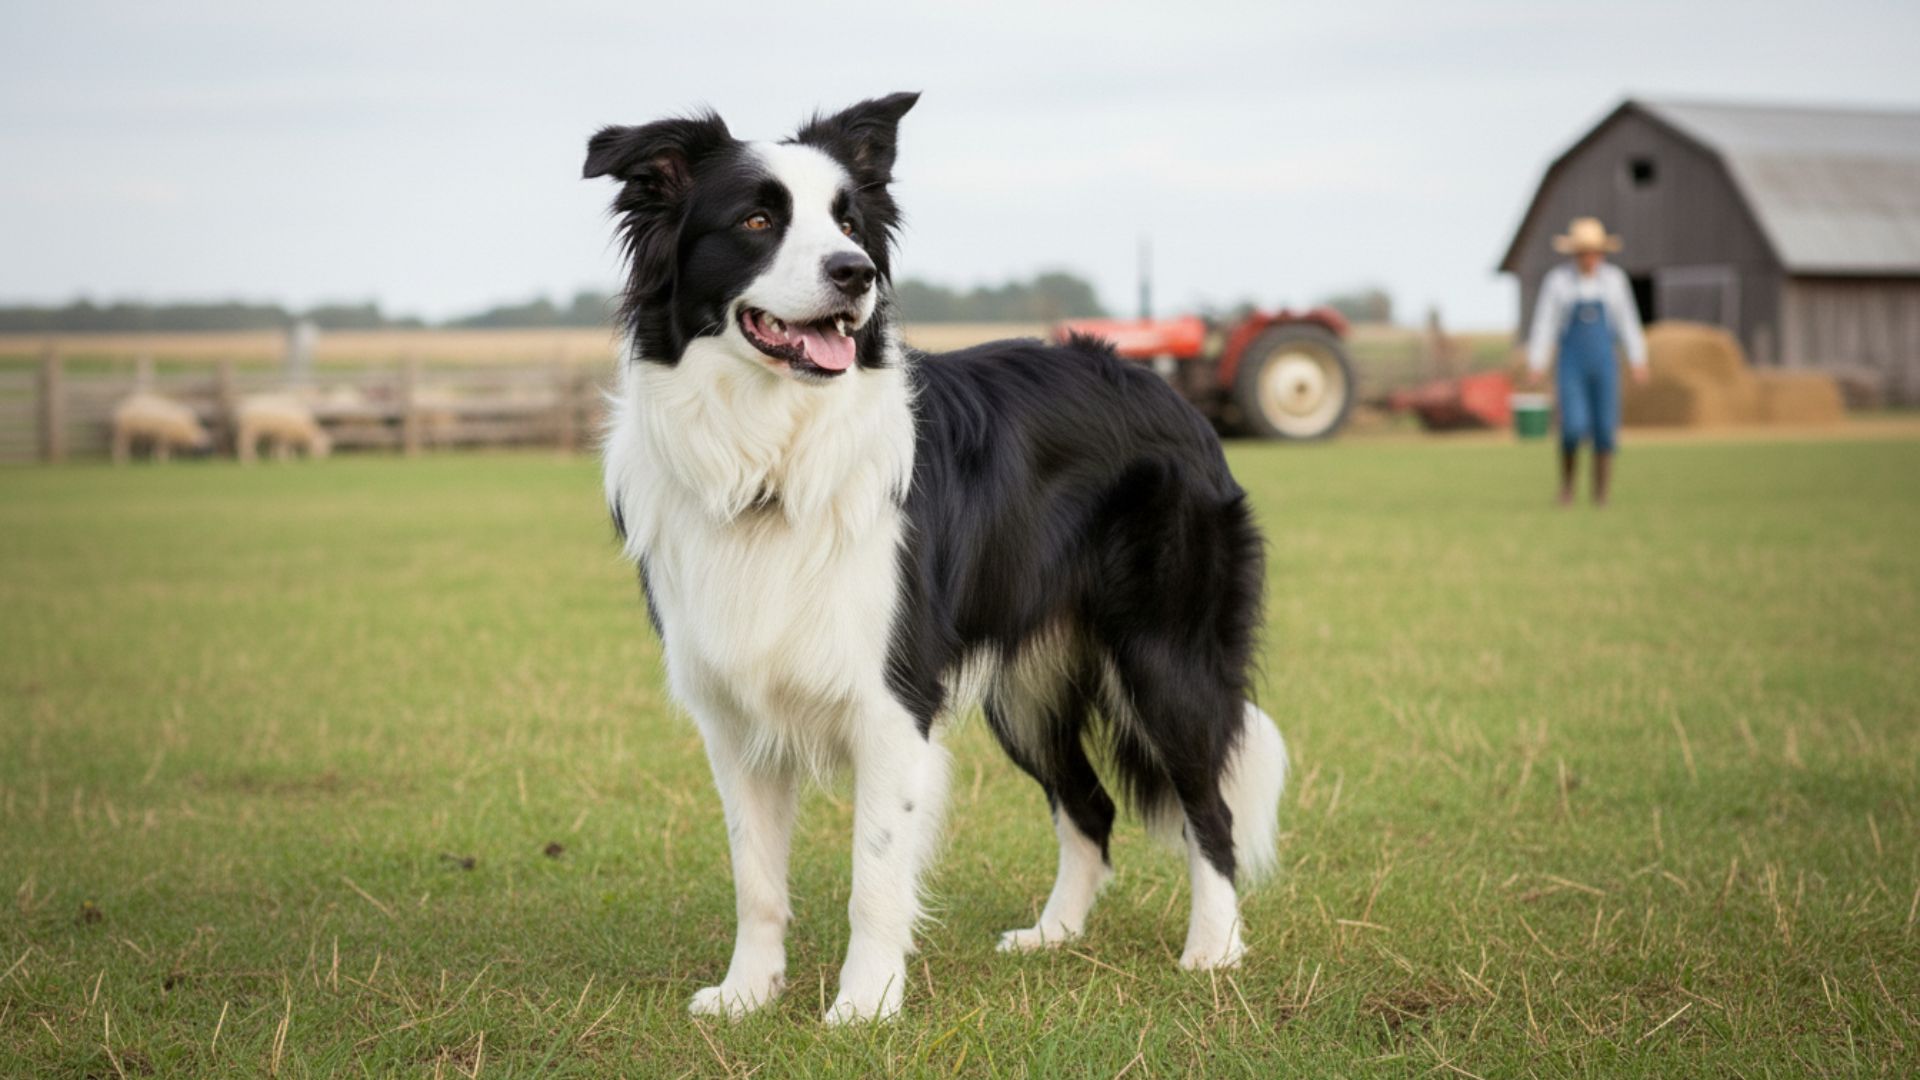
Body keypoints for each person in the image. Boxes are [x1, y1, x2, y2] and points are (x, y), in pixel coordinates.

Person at [1526, 217, 1649, 506]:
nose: (1589, 258)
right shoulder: (1558, 282)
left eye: (1594, 251)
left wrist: (1638, 358)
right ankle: (1567, 488)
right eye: (1583, 252)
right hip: (1572, 362)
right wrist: (1537, 361)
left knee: (1605, 429)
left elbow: (1627, 321)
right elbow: (1545, 323)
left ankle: (1600, 496)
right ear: (1574, 253)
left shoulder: (1614, 281)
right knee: (1572, 427)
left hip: (1604, 361)